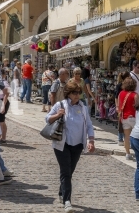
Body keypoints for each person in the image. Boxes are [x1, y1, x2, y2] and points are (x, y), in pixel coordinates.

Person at [47, 80, 95, 212]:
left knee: (69, 171)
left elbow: (89, 125)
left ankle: (62, 192)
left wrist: (91, 140)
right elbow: (47, 119)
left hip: (78, 145)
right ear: (68, 93)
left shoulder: (83, 108)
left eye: (78, 93)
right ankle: (67, 201)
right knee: (66, 171)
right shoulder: (60, 105)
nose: (77, 95)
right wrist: (58, 114)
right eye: (74, 93)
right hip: (62, 144)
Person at [119, 76, 137, 160]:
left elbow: (119, 105)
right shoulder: (135, 95)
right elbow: (138, 107)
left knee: (127, 136)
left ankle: (127, 153)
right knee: (136, 137)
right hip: (133, 117)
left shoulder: (121, 93)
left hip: (124, 118)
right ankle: (137, 153)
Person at [115, 71, 130, 146]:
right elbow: (116, 97)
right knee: (121, 122)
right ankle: (120, 139)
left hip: (127, 105)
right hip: (121, 106)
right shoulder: (119, 86)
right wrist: (117, 106)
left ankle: (125, 139)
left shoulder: (129, 85)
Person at [0, 68, 10, 143]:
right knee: (1, 121)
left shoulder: (4, 83)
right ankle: (3, 138)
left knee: (0, 121)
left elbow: (6, 95)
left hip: (3, 102)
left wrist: (3, 106)